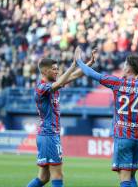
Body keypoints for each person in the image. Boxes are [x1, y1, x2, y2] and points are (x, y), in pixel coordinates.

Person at [75, 46, 138, 187]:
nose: (123, 68)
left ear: (129, 68)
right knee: (131, 176)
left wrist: (79, 61)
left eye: (124, 65)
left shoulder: (117, 83)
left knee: (124, 177)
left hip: (123, 136)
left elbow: (92, 74)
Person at [27, 48, 96, 187]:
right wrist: (72, 65)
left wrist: (88, 64)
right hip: (49, 135)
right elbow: (59, 82)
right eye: (54, 69)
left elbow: (73, 76)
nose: (57, 72)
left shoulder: (52, 86)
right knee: (57, 175)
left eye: (58, 69)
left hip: (48, 135)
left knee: (43, 177)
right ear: (45, 71)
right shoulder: (41, 87)